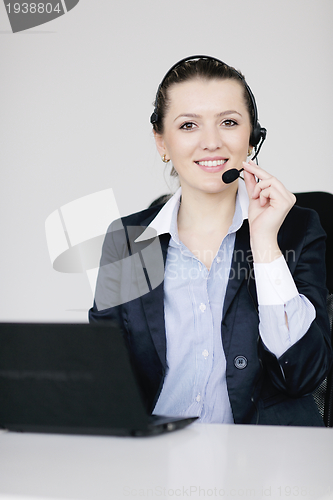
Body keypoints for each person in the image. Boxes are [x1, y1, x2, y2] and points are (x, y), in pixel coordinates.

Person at [89, 56, 332, 426]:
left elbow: (304, 374)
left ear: (251, 138)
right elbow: (103, 376)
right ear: (162, 142)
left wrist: (264, 242)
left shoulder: (297, 230)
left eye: (229, 122)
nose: (212, 142)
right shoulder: (130, 241)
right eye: (188, 125)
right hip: (156, 462)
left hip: (265, 466)